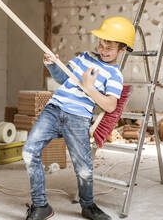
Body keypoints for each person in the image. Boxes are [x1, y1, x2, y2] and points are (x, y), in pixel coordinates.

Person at [22, 17, 135, 220]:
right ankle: (41, 206)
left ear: (122, 49)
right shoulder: (84, 57)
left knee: (83, 168)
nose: (103, 49)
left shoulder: (115, 75)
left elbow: (109, 105)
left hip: (78, 118)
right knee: (29, 151)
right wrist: (52, 65)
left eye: (109, 47)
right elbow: (63, 79)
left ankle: (88, 205)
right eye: (101, 44)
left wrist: (89, 86)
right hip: (54, 110)